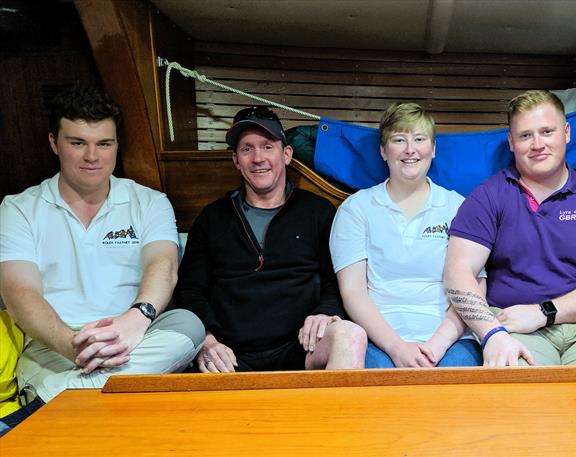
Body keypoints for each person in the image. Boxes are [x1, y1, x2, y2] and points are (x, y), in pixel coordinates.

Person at [0, 86, 204, 408]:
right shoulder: (19, 208)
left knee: (189, 326)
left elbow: (162, 265)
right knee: (48, 364)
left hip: (133, 342)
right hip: (54, 349)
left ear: (116, 145)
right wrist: (73, 346)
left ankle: (59, 399)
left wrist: (136, 319)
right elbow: (18, 292)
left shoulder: (149, 202)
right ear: (54, 143)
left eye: (104, 144)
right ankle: (90, 392)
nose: (92, 156)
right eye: (77, 143)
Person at [174, 106, 366, 372]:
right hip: (227, 354)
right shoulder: (212, 218)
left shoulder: (318, 212)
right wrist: (205, 339)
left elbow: (336, 281)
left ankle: (337, 416)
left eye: (267, 147)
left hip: (300, 347)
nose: (257, 158)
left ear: (286, 154)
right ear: (236, 160)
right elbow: (190, 289)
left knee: (350, 336)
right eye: (247, 149)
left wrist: (324, 312)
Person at [444, 90, 576, 367]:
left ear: (566, 133)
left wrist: (544, 312)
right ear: (511, 142)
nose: (537, 144)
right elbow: (458, 274)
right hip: (514, 325)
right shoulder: (488, 196)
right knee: (525, 396)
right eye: (526, 135)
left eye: (547, 132)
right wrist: (492, 333)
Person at [330, 103, 481, 368]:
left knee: (456, 387)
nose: (410, 150)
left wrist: (437, 346)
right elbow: (353, 291)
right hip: (378, 340)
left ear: (433, 149)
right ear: (383, 151)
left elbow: (477, 285)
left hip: (450, 339)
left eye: (419, 139)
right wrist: (397, 348)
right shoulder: (356, 208)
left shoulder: (458, 207)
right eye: (399, 140)